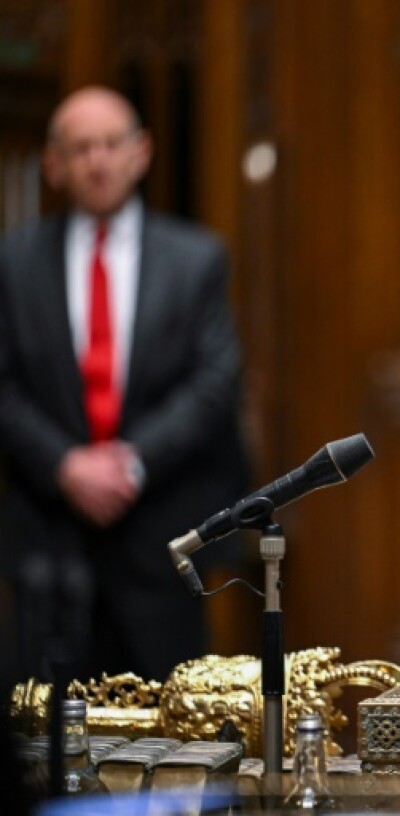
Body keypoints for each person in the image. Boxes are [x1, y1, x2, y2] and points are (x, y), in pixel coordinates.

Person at [0, 86, 249, 685]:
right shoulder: (15, 261)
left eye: (111, 144)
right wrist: (65, 466)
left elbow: (216, 381)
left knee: (171, 734)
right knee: (49, 744)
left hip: (162, 538)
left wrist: (131, 463)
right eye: (80, 148)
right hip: (49, 542)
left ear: (142, 152)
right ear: (54, 166)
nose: (98, 160)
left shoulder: (196, 259)